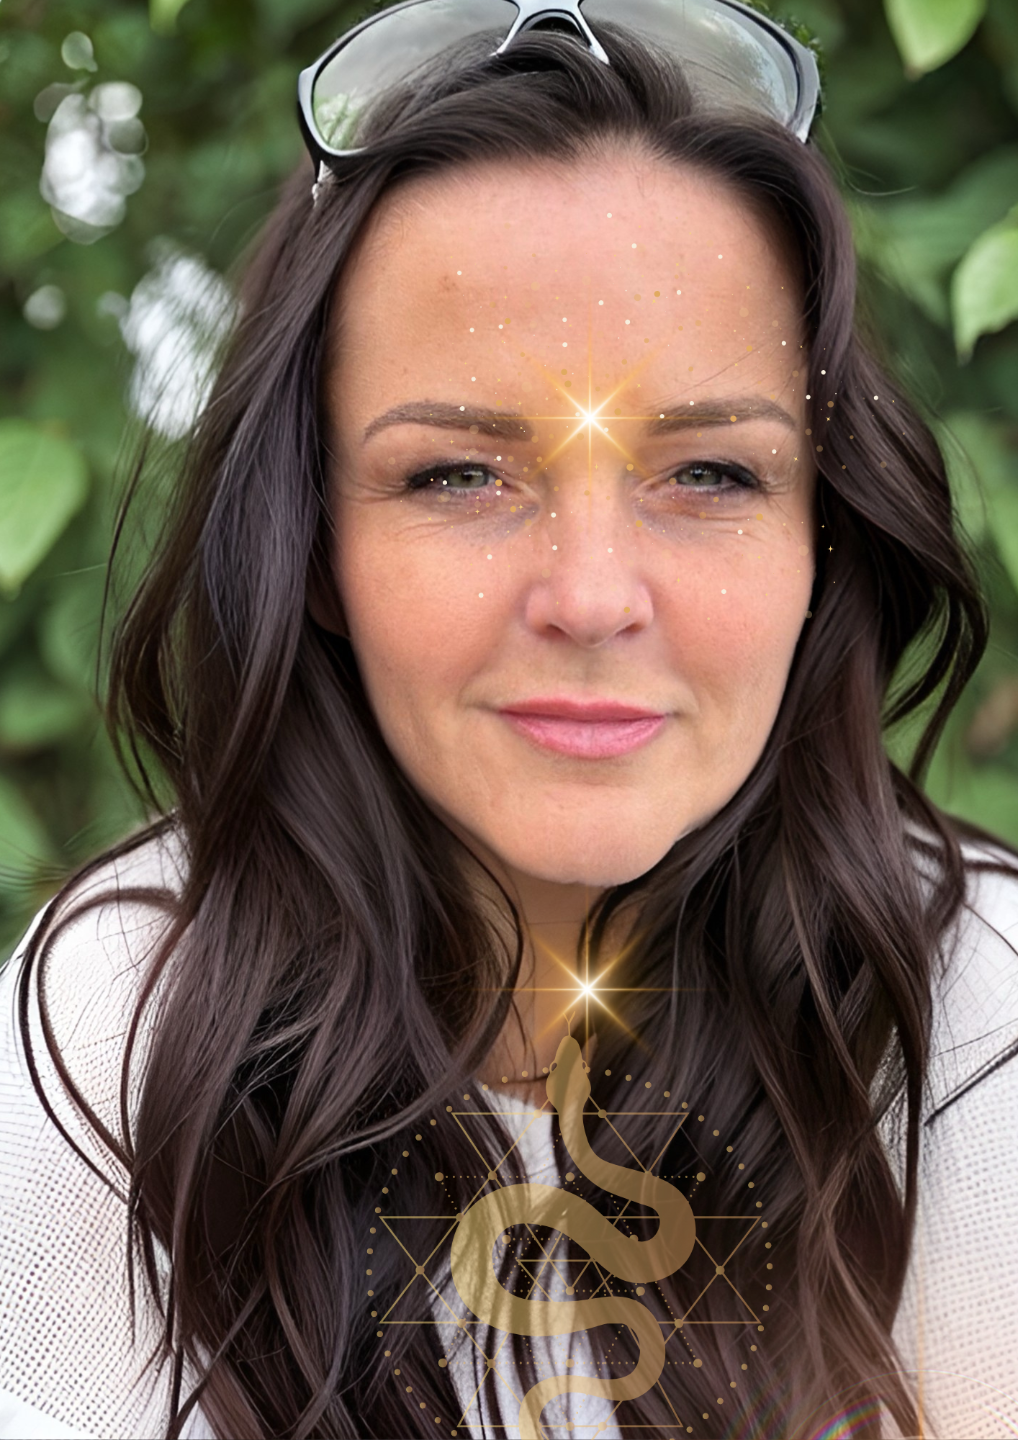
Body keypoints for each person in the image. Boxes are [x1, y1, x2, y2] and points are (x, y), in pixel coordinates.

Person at [2, 4, 1017, 1438]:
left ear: (825, 536)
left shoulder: (982, 1029)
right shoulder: (115, 1032)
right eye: (459, 475)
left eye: (710, 473)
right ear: (315, 550)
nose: (591, 598)